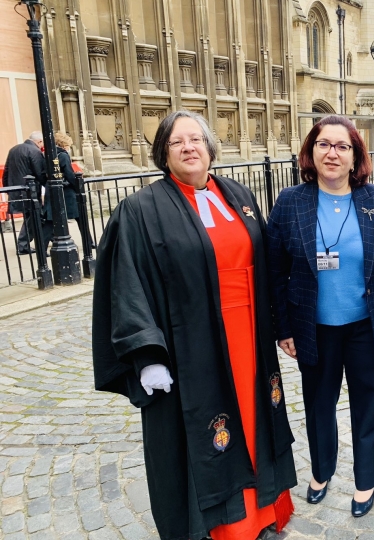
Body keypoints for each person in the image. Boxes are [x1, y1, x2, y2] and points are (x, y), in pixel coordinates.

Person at [92, 110, 297, 540]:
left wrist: (281, 323)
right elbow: (126, 282)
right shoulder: (140, 210)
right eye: (177, 142)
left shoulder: (237, 193)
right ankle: (224, 527)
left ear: (209, 147)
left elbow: (266, 264)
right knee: (210, 429)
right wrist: (146, 355)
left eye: (196, 140)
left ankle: (263, 512)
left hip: (248, 336)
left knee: (256, 416)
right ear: (163, 153)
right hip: (191, 345)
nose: (189, 148)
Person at [266, 115, 374, 518]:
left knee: (369, 405)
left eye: (342, 146)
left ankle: (366, 480)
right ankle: (321, 471)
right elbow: (275, 271)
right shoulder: (289, 202)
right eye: (324, 144)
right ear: (311, 152)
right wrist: (283, 328)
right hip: (313, 327)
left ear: (355, 157)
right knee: (319, 404)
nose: (333, 153)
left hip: (369, 324)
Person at [2, 131, 47, 254]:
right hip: (29, 190)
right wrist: (48, 186)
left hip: (16, 189)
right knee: (33, 216)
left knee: (35, 216)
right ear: (39, 142)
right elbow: (40, 173)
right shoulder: (35, 151)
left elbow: (6, 171)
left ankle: (46, 238)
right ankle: (23, 245)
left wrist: (8, 188)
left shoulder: (14, 149)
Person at [42, 132, 81, 250]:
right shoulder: (63, 155)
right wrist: (77, 185)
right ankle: (89, 242)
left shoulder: (47, 155)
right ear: (64, 144)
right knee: (80, 217)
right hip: (66, 192)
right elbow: (69, 173)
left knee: (50, 221)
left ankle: (42, 249)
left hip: (51, 190)